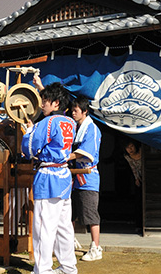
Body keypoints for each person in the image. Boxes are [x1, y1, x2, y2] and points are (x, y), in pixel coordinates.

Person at [22, 82, 78, 274]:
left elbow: (28, 149)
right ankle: (68, 267)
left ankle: (43, 269)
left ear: (56, 103)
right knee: (63, 227)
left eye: (45, 101)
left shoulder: (46, 123)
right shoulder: (70, 122)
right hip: (63, 175)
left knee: (43, 227)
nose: (42, 104)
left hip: (48, 176)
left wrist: (29, 131)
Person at [68, 96, 102, 261]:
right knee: (70, 213)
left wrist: (67, 156)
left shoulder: (92, 129)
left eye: (76, 111)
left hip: (88, 177)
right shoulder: (76, 128)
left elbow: (87, 152)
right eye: (72, 110)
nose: (73, 113)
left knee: (90, 214)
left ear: (85, 112)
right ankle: (69, 241)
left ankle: (96, 247)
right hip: (74, 177)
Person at [123, 139, 144, 233]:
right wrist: (136, 178)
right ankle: (139, 224)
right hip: (140, 177)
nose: (130, 149)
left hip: (149, 175)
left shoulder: (142, 151)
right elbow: (133, 167)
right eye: (127, 147)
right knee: (139, 201)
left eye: (131, 146)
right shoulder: (127, 156)